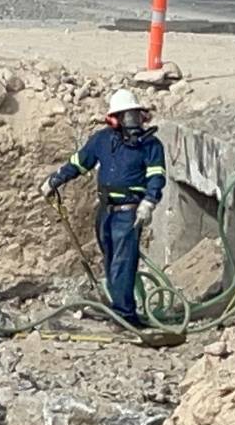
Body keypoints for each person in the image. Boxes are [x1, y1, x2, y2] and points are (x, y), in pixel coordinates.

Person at [39, 90, 166, 328]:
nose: (132, 122)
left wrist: (149, 202)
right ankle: (118, 307)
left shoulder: (150, 145)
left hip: (130, 212)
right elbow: (80, 162)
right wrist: (55, 180)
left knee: (122, 262)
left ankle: (125, 315)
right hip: (106, 211)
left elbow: (157, 176)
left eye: (135, 116)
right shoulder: (102, 140)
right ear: (113, 119)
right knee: (110, 258)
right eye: (126, 116)